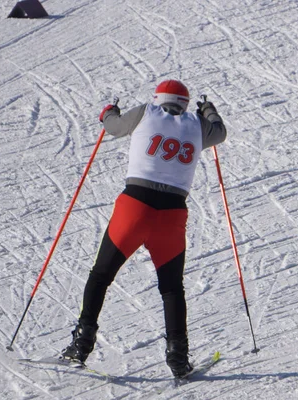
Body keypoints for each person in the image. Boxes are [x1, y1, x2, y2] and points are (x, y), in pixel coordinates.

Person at [60, 79, 227, 378]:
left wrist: (108, 111)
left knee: (101, 275)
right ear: (186, 104)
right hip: (173, 213)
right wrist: (210, 110)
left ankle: (81, 345)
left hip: (135, 208)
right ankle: (178, 357)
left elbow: (113, 126)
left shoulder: (145, 112)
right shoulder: (198, 125)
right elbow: (221, 132)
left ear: (158, 98)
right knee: (172, 288)